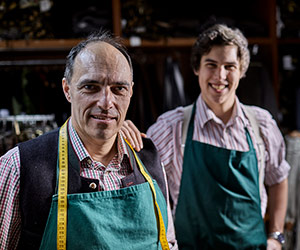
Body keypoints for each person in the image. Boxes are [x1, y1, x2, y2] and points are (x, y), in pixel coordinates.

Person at [0, 30, 178, 250]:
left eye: (118, 89)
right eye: (91, 87)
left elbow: (168, 243)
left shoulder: (149, 161)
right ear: (67, 89)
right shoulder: (19, 166)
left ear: (131, 92)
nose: (106, 102)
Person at [121, 24, 290, 250]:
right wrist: (118, 137)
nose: (220, 76)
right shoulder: (171, 128)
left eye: (229, 66)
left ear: (242, 70)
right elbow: (138, 187)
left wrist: (276, 237)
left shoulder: (262, 125)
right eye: (211, 65)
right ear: (196, 68)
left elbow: (278, 178)